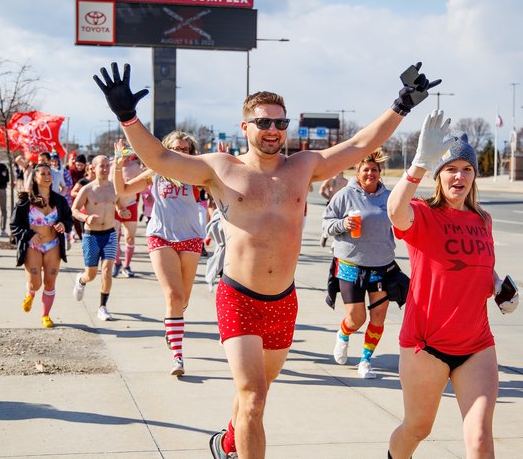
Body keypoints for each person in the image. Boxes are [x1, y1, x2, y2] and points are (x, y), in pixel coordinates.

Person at [93, 61, 439, 458]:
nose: (273, 130)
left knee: (254, 397)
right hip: (238, 298)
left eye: (279, 122)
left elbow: (359, 145)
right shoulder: (219, 169)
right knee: (253, 398)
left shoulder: (303, 167)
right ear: (246, 127)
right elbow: (159, 159)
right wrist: (127, 117)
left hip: (283, 302)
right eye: (263, 123)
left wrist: (402, 104)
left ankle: (226, 443)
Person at [385, 110, 520, 459]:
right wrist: (417, 164)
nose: (460, 176)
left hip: (476, 345)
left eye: (467, 169)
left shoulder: (483, 219)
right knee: (417, 428)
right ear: (438, 175)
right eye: (451, 169)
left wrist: (499, 287)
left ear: (475, 176)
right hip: (425, 345)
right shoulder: (422, 213)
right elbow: (395, 211)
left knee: (479, 439)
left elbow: (481, 268)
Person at [113, 133, 205, 376]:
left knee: (183, 300)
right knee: (173, 297)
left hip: (191, 237)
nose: (181, 152)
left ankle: (171, 323)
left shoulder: (197, 172)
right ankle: (178, 356)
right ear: (166, 149)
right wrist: (117, 166)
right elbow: (122, 189)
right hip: (160, 236)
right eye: (176, 148)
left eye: (186, 149)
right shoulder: (155, 171)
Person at [322, 149, 402, 379]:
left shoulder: (388, 197)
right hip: (350, 264)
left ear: (380, 172)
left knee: (378, 317)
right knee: (357, 318)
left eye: (374, 170)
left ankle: (365, 361)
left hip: (382, 265)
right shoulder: (345, 195)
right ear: (358, 173)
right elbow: (327, 225)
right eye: (365, 170)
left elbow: (404, 219)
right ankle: (343, 335)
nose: (370, 173)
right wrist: (343, 224)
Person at [10, 163, 72, 328]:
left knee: (50, 282)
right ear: (35, 178)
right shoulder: (25, 202)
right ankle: (30, 294)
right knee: (35, 284)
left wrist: (63, 225)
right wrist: (30, 235)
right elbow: (14, 225)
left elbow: (68, 218)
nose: (47, 177)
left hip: (53, 245)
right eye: (43, 174)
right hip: (33, 247)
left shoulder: (59, 200)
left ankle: (45, 315)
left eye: (49, 174)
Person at [70, 154, 125, 322]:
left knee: (107, 271)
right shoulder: (87, 189)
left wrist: (123, 211)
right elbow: (74, 209)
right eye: (102, 166)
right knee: (91, 275)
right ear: (93, 168)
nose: (105, 169)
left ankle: (102, 307)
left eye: (107, 165)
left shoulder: (115, 188)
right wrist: (86, 218)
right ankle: (81, 279)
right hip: (91, 236)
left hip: (109, 234)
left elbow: (119, 205)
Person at [112, 148, 143, 278]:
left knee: (129, 237)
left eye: (126, 154)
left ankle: (127, 265)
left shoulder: (135, 167)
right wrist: (118, 206)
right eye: (121, 154)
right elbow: (110, 186)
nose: (123, 157)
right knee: (115, 236)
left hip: (130, 204)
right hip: (115, 205)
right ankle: (117, 262)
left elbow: (143, 183)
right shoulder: (112, 166)